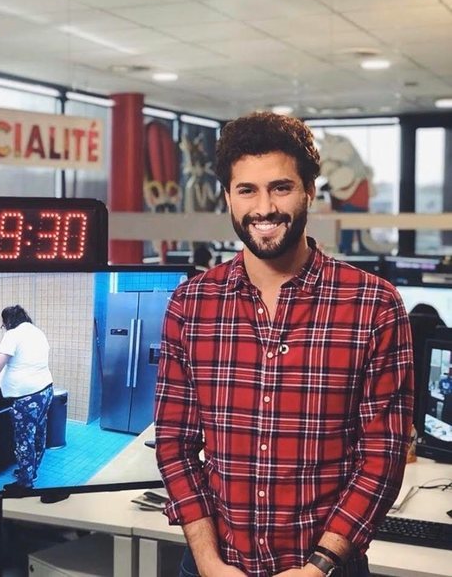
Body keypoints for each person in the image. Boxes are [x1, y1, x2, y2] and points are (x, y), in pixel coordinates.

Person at [155, 112, 414, 577]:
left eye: (280, 187)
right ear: (227, 197)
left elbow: (383, 456)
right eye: (247, 190)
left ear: (309, 190)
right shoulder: (191, 304)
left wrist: (319, 566)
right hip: (213, 566)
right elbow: (175, 444)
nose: (264, 208)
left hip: (328, 567)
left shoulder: (373, 305)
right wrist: (208, 562)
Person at [0, 305, 53, 493]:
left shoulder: (13, 334)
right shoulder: (36, 332)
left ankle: (25, 484)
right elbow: (23, 362)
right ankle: (30, 472)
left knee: (24, 439)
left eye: (3, 324)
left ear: (8, 321)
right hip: (45, 391)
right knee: (38, 435)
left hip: (27, 397)